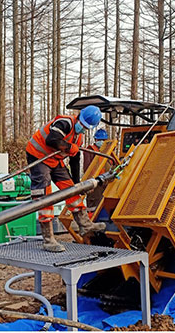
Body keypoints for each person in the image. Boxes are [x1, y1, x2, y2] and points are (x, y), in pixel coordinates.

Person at [26, 105, 106, 252]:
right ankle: (48, 239)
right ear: (78, 118)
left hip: (55, 160)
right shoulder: (65, 122)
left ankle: (85, 225)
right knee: (44, 196)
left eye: (86, 127)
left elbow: (75, 160)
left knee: (71, 191)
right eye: (82, 124)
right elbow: (52, 140)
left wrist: (77, 184)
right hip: (38, 156)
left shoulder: (79, 138)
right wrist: (69, 147)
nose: (82, 128)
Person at [82, 129, 110, 212]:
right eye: (99, 140)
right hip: (95, 183)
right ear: (95, 140)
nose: (101, 142)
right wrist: (89, 184)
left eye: (103, 140)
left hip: (106, 183)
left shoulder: (108, 151)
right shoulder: (90, 151)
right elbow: (87, 169)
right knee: (94, 206)